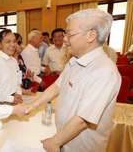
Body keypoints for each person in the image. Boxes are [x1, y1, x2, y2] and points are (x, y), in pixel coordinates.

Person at [25, 9, 121, 152]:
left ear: (91, 35)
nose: (64, 39)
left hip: (81, 146)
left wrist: (54, 142)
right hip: (64, 138)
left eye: (69, 34)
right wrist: (33, 105)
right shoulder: (74, 60)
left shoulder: (104, 72)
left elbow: (84, 119)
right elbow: (57, 86)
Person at [0, 29, 23, 104]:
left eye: (14, 41)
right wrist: (11, 99)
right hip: (2, 105)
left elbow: (17, 83)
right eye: (8, 42)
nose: (12, 44)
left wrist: (19, 94)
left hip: (15, 102)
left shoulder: (14, 61)